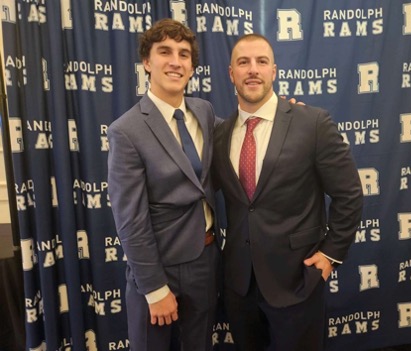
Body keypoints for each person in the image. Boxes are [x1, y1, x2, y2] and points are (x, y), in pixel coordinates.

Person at [212, 34, 364, 351]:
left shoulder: (312, 123)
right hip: (239, 285)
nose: (252, 69)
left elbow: (349, 194)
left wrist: (330, 254)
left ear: (274, 71)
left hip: (298, 280)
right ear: (231, 73)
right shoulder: (220, 133)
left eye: (261, 61)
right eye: (243, 62)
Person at [107, 19, 219, 351]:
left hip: (206, 259)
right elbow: (130, 219)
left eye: (184, 54)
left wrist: (286, 114)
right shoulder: (125, 130)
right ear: (146, 61)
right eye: (165, 52)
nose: (176, 61)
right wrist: (155, 290)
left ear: (192, 66)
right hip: (159, 267)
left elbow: (241, 135)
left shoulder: (204, 111)